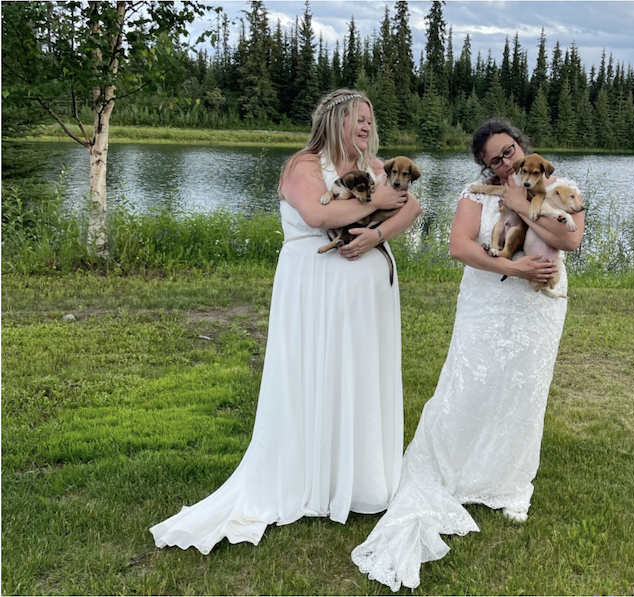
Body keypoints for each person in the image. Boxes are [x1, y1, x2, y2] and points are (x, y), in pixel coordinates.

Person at [150, 89, 422, 554]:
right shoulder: (305, 165)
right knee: (316, 373)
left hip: (369, 297)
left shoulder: (376, 167)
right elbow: (317, 213)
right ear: (334, 120)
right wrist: (375, 201)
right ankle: (310, 477)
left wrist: (375, 233)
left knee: (359, 376)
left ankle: (363, 479)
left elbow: (411, 207)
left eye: (369, 118)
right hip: (314, 287)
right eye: (357, 117)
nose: (365, 125)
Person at [351, 118, 584, 591]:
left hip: (537, 309)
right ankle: (454, 467)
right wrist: (515, 268)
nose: (506, 163)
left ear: (520, 145)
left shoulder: (560, 187)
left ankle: (508, 481)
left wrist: (521, 205)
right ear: (484, 165)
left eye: (509, 151)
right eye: (494, 159)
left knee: (523, 390)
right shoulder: (475, 195)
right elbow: (459, 247)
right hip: (487, 302)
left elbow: (570, 240)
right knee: (470, 384)